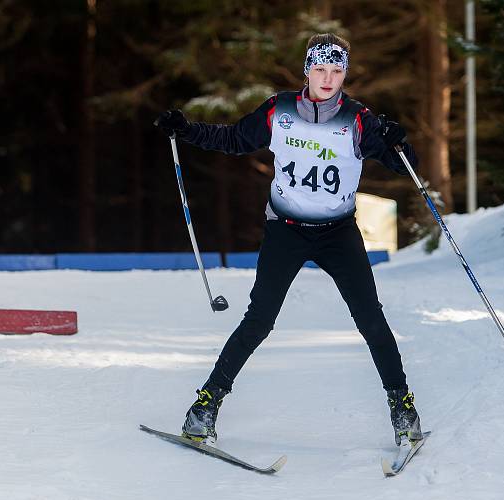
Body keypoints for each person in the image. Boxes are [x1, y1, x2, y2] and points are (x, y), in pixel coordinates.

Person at [155, 33, 423, 449]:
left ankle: (403, 407)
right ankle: (205, 405)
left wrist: (397, 140)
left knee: (371, 319)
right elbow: (232, 139)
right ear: (307, 71)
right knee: (259, 320)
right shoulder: (278, 109)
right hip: (286, 230)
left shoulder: (357, 119)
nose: (329, 78)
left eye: (337, 70)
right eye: (321, 69)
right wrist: (186, 129)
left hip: (338, 233)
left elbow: (403, 165)